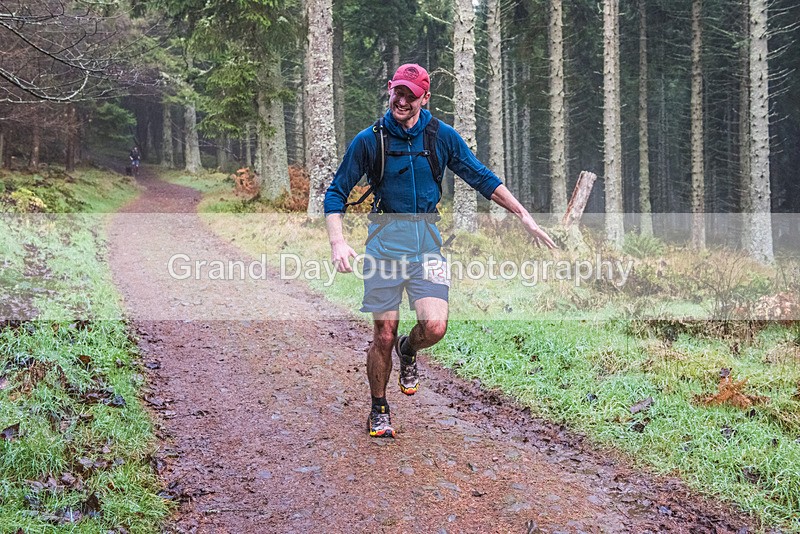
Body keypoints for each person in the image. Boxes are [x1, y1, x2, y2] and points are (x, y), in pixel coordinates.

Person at [324, 63, 556, 438]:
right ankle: (379, 408)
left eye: (410, 95)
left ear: (425, 98)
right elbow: (336, 192)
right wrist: (338, 241)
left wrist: (524, 216)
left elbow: (482, 178)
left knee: (434, 327)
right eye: (397, 92)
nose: (402, 101)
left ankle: (409, 349)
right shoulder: (370, 140)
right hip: (383, 247)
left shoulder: (441, 137)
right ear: (389, 89)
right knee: (383, 334)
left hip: (427, 246)